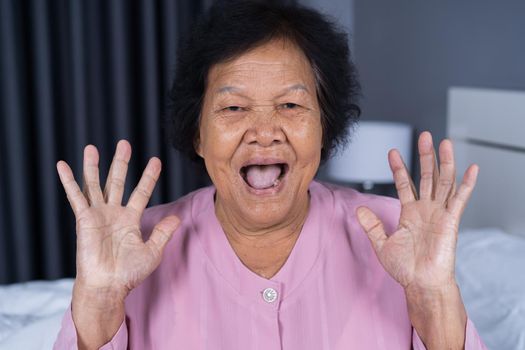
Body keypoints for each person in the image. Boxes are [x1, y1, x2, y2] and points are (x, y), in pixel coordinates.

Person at [54, 1, 487, 349]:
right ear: (198, 134)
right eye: (234, 108)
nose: (264, 134)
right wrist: (99, 298)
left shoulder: (397, 235)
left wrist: (433, 297)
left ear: (325, 129)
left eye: (291, 105)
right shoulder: (136, 246)